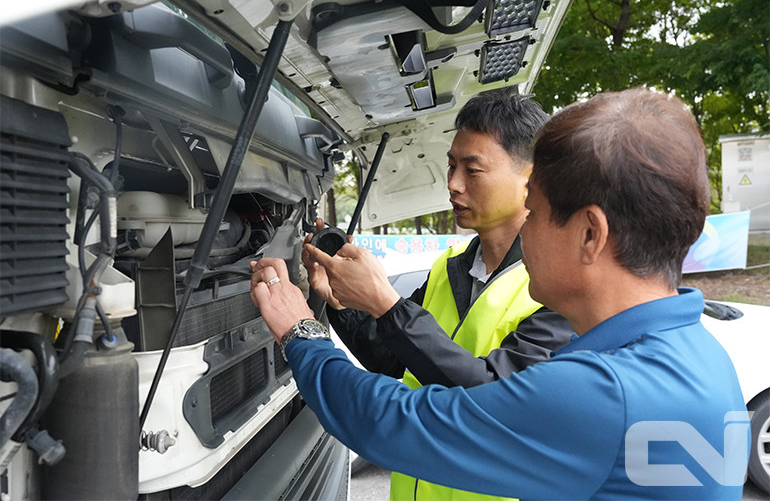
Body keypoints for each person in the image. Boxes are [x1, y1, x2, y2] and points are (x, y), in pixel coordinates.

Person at [251, 88, 748, 500]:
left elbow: (393, 420)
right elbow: (398, 363)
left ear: (590, 233)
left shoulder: (602, 393)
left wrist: (302, 333)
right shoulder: (701, 360)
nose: (525, 231)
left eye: (535, 210)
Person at [305, 90, 574, 500]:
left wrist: (385, 304)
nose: (452, 184)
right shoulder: (446, 269)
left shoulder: (560, 290)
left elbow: (492, 398)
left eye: (473, 169)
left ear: (530, 177)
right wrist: (341, 303)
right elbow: (395, 363)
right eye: (451, 165)